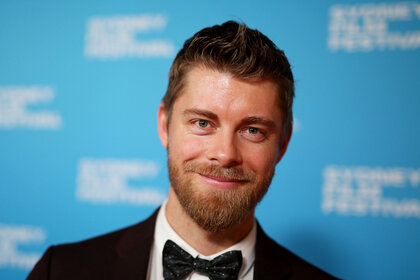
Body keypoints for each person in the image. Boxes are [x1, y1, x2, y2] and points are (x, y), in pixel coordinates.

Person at [27, 21, 338, 280]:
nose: (225, 153)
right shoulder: (61, 271)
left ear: (282, 144)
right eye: (203, 123)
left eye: (253, 130)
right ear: (165, 125)